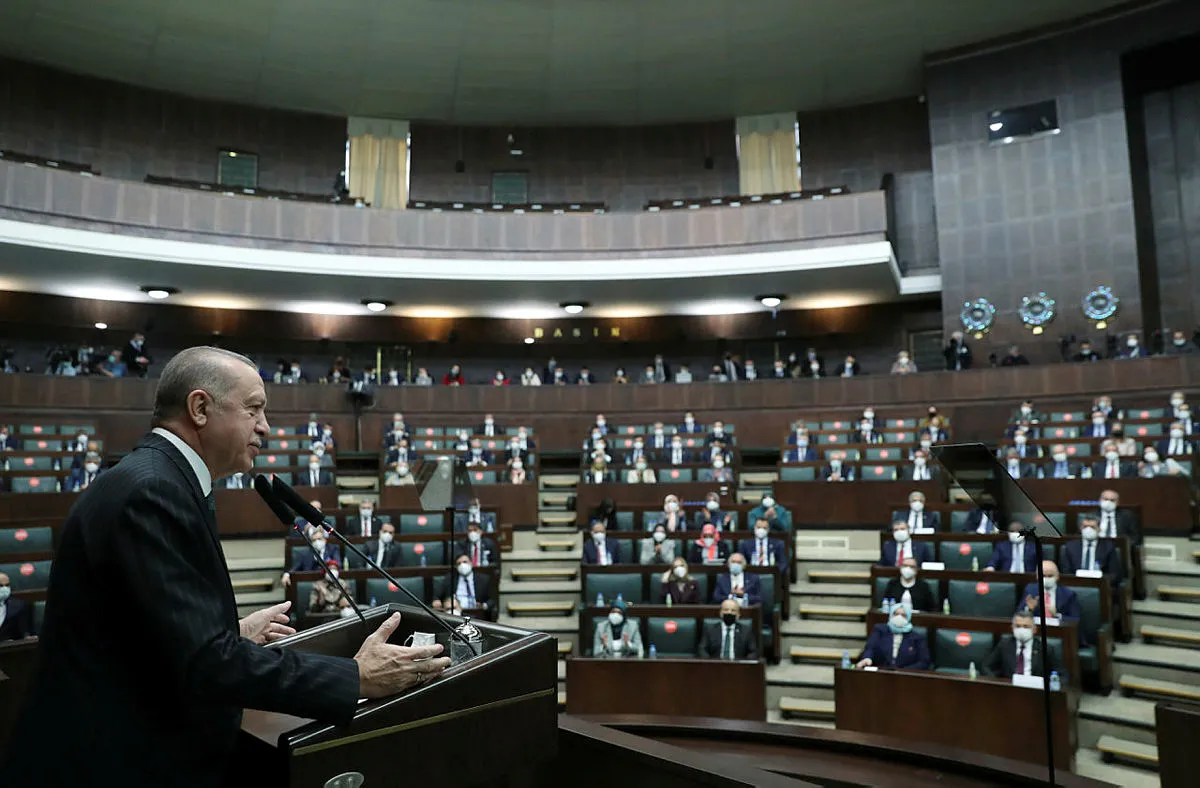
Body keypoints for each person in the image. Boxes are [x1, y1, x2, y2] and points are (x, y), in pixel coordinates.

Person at [3, 346, 449, 786]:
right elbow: (205, 665)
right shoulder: (152, 493)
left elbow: (144, 635)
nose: (266, 428)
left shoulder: (159, 480)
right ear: (200, 407)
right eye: (254, 410)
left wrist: (228, 633)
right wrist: (356, 677)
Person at [984, 611, 1059, 679]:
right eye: (1018, 626)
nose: (1022, 630)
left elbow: (1061, 674)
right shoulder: (1004, 645)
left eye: (1026, 626)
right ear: (1012, 628)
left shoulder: (1045, 648)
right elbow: (987, 667)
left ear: (1034, 629)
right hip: (1010, 689)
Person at [854, 605, 930, 670]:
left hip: (905, 676)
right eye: (896, 614)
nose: (899, 617)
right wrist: (867, 658)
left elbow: (924, 662)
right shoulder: (880, 630)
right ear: (891, 615)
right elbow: (870, 647)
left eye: (903, 615)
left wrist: (903, 672)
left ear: (908, 618)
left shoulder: (917, 637)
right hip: (882, 673)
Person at [1019, 561, 1082, 632]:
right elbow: (1017, 616)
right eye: (1043, 576)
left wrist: (1057, 615)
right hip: (1036, 631)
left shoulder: (1068, 594)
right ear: (1037, 576)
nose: (1046, 579)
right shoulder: (1030, 591)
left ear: (1057, 576)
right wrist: (1029, 610)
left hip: (1060, 632)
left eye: (1050, 576)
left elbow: (1076, 620)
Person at [1060, 515, 1123, 585]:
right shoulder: (1070, 547)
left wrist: (1101, 582)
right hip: (1076, 585)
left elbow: (1114, 574)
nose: (1088, 530)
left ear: (1099, 529)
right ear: (1081, 528)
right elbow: (1066, 572)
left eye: (1092, 527)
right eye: (1085, 527)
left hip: (1101, 585)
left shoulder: (1108, 547)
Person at [0, 571, 34, 640]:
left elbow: (25, 633)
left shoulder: (20, 607)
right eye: (0, 586)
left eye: (7, 585)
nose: (4, 589)